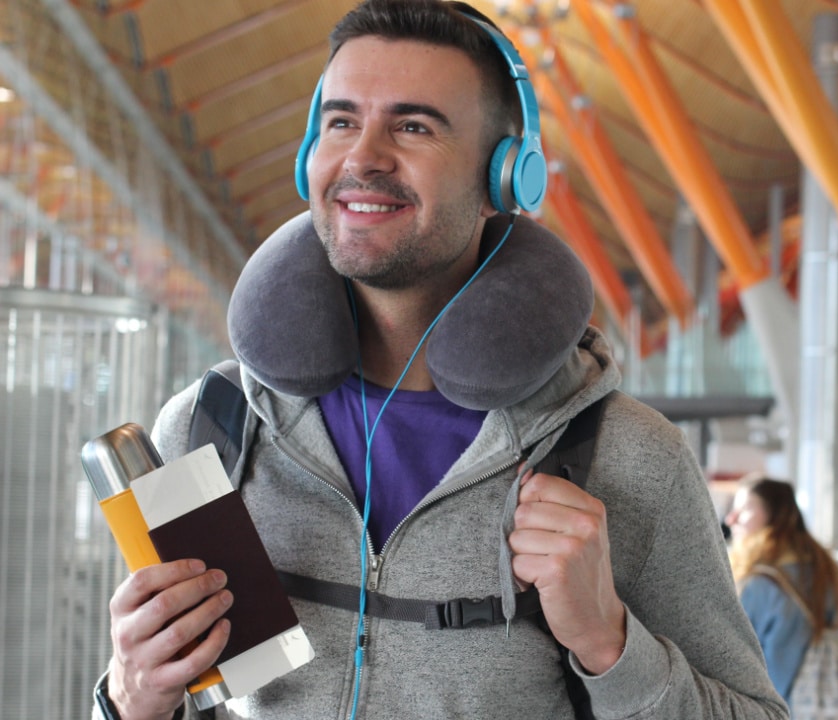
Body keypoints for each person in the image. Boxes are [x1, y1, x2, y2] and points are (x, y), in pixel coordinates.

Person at [95, 2, 787, 718]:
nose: (363, 156)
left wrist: (611, 647)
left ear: (506, 180)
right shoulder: (212, 432)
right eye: (340, 122)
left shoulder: (628, 461)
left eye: (413, 125)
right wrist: (131, 699)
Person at [724, 477, 838, 708]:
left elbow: (733, 664)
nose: (731, 519)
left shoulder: (758, 586)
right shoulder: (829, 571)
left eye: (744, 509)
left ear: (774, 516)